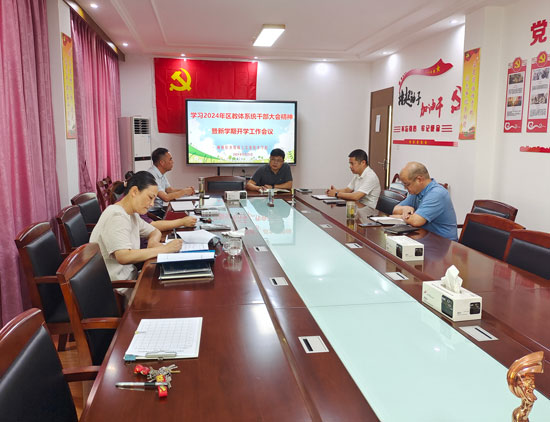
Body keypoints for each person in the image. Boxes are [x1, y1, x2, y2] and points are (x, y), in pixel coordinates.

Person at [90, 171, 183, 287]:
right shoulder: (116, 216)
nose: (152, 204)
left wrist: (153, 242)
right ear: (134, 191)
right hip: (118, 287)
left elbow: (154, 231)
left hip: (131, 277)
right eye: (150, 198)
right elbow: (124, 256)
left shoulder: (132, 214)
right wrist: (164, 249)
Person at [392, 162, 458, 241]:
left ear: (419, 180)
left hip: (443, 243)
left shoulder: (437, 193)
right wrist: (404, 209)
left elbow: (416, 221)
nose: (405, 188)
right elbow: (395, 210)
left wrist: (399, 217)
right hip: (425, 237)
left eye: (407, 184)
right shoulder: (417, 192)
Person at [147, 147, 195, 218]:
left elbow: (169, 190)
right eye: (170, 159)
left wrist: (187, 190)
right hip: (151, 214)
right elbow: (165, 198)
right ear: (162, 163)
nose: (173, 162)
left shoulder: (160, 173)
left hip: (158, 211)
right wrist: (184, 191)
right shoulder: (152, 175)